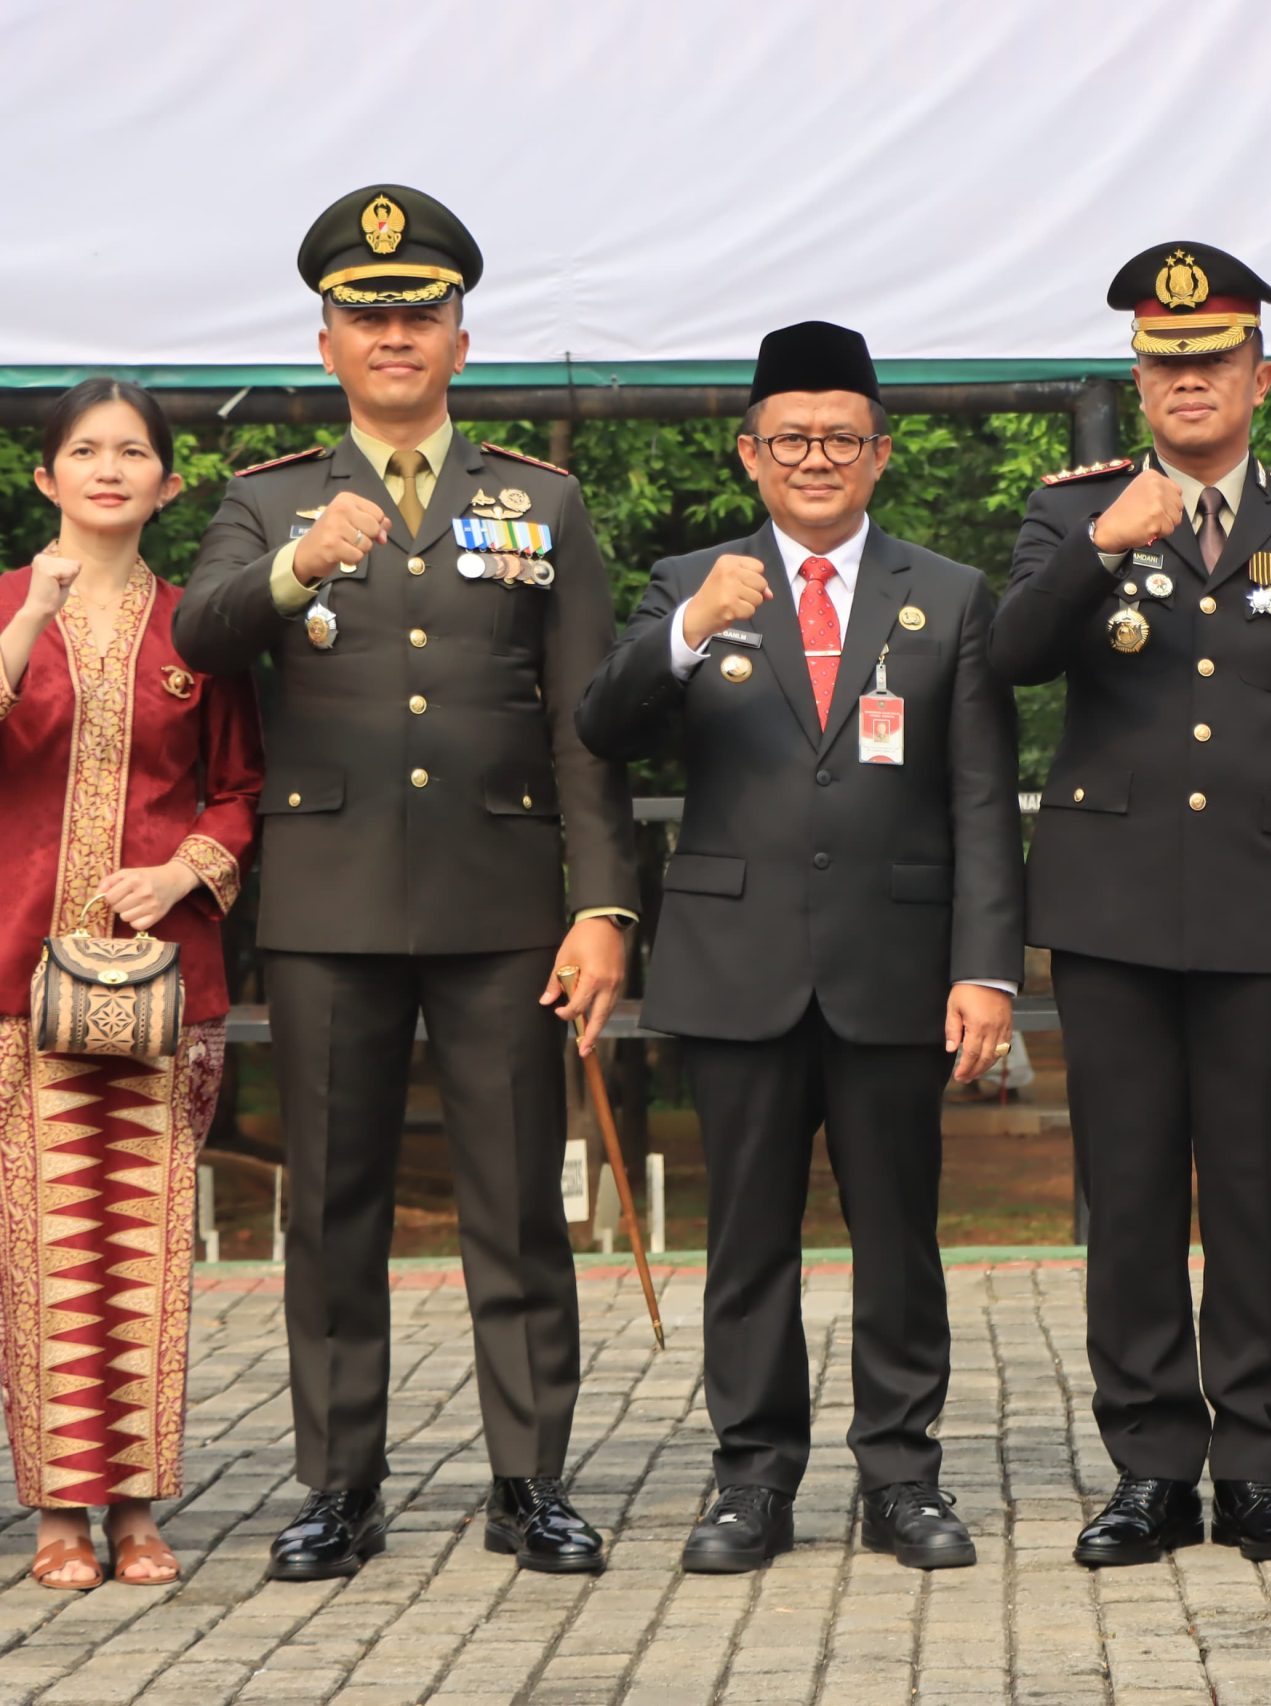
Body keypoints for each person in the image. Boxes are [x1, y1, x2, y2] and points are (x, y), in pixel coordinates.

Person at [172, 185, 640, 1580]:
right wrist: (293, 569)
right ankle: (338, 1482)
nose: (394, 336)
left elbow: (585, 724)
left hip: (502, 906)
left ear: (460, 336)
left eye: (418, 314)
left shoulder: (539, 498)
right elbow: (199, 633)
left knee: (514, 1203)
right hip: (329, 902)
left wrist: (603, 904)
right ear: (325, 342)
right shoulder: (266, 500)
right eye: (367, 316)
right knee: (330, 1207)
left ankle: (529, 1478)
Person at [578, 321, 1023, 1573]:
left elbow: (979, 797)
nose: (815, 458)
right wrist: (681, 633)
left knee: (900, 1237)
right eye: (791, 440)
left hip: (895, 965)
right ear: (749, 454)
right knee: (746, 1242)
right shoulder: (692, 580)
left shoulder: (947, 596)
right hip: (737, 964)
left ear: (880, 455)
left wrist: (984, 967)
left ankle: (903, 1477)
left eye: (840, 438)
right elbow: (603, 726)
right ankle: (750, 1481)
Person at [991, 242, 1271, 1566]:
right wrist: (1102, 548)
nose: (1186, 383)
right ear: (1138, 378)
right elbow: (1007, 658)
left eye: (1211, 361)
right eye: (1163, 364)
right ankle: (1152, 1466)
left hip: (1269, 912)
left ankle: (1258, 1465)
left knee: (1262, 1194)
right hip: (1112, 914)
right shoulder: (1073, 511)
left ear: (1259, 378)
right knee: (1134, 1192)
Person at [0, 381, 261, 1590]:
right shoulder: (5, 605)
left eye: (135, 452)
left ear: (167, 482)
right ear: (45, 477)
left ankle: (142, 1502)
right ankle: (59, 1508)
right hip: (18, 982)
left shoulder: (198, 629)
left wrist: (184, 872)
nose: (111, 469)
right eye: (86, 452)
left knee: (145, 1247)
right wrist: (30, 619)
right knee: (43, 1248)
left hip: (163, 989)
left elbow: (241, 787)